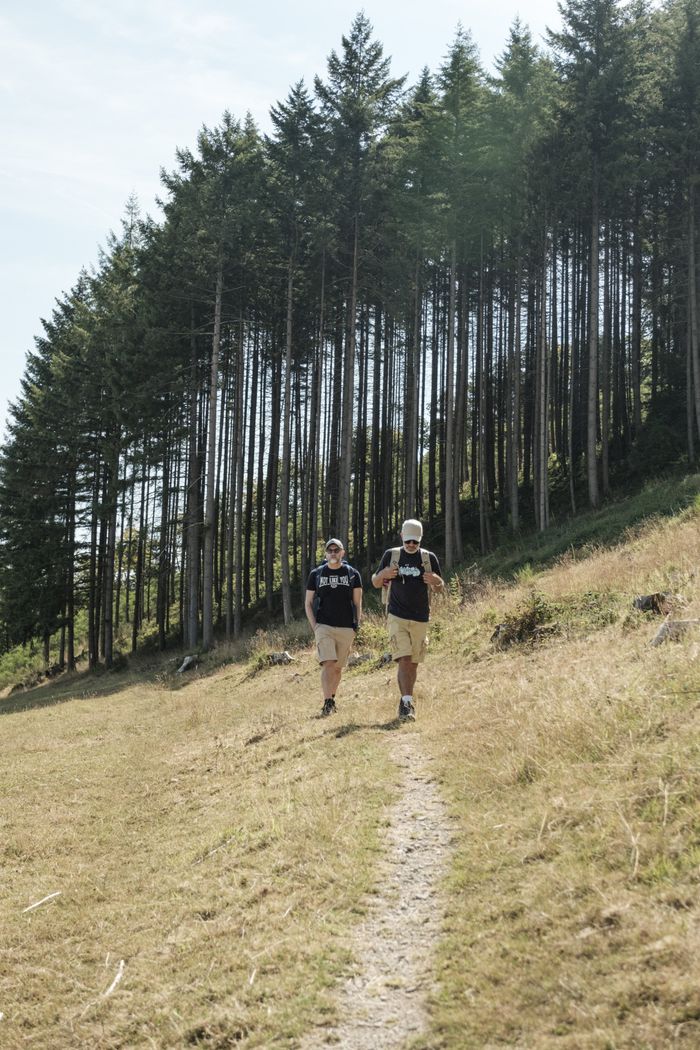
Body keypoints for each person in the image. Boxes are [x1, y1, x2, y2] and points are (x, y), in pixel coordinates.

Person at [371, 519, 443, 720]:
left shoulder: (428, 558)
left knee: (413, 662)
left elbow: (440, 586)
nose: (411, 545)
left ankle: (407, 700)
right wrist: (384, 574)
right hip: (397, 615)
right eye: (408, 541)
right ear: (402, 537)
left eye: (416, 542)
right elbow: (376, 583)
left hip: (421, 617)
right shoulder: (391, 555)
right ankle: (406, 703)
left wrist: (436, 581)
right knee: (403, 658)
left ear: (420, 540)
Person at [305, 538, 363, 717]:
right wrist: (315, 626)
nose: (333, 553)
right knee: (328, 664)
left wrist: (356, 625)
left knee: (337, 668)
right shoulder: (316, 574)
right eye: (329, 550)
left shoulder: (352, 574)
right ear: (325, 553)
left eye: (336, 550)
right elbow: (308, 603)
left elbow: (358, 602)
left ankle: (332, 697)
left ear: (342, 553)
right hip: (324, 626)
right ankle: (327, 702)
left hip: (346, 627)